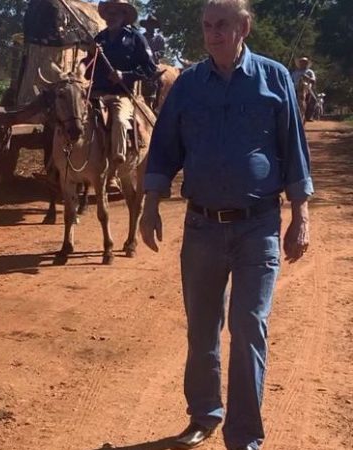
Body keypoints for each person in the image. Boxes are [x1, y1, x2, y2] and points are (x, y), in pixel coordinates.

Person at [139, 1, 313, 449]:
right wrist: (150, 204)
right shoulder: (189, 85)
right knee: (201, 327)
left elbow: (293, 147)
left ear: (243, 27)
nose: (213, 34)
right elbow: (163, 148)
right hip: (202, 227)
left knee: (249, 324)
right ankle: (204, 415)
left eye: (222, 25)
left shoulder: (274, 79)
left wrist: (301, 216)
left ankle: (244, 436)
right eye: (207, 26)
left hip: (259, 226)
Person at [85, 0, 157, 190]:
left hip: (121, 95)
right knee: (71, 115)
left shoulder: (136, 38)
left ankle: (113, 172)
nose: (111, 16)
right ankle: (67, 165)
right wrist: (91, 55)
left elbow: (150, 68)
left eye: (115, 13)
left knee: (119, 120)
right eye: (108, 13)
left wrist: (124, 76)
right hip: (95, 94)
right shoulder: (99, 39)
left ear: (124, 16)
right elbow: (87, 70)